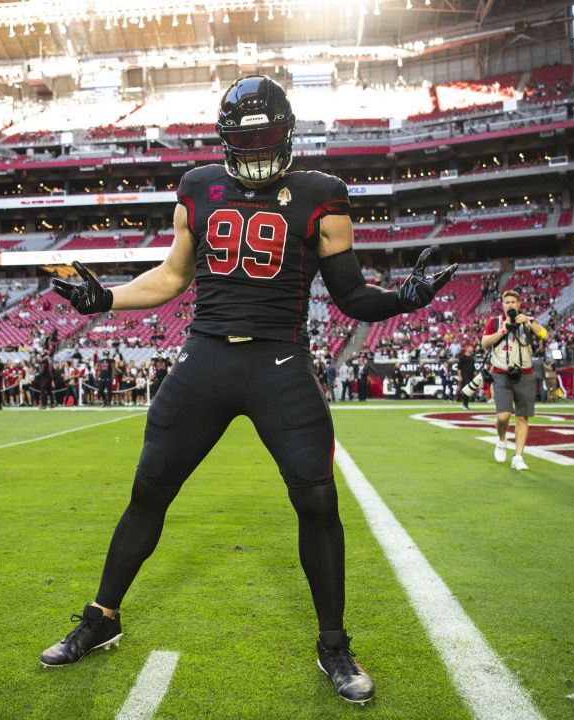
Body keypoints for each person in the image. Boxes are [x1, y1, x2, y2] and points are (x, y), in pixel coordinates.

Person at [39, 75, 457, 705]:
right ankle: (102, 617)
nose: (258, 149)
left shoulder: (323, 194)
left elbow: (349, 295)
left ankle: (334, 645)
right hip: (205, 357)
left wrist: (404, 299)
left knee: (316, 500)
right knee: (149, 489)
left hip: (279, 363)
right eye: (247, 138)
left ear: (288, 134)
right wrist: (106, 299)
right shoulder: (197, 186)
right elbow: (173, 276)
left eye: (268, 137)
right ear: (225, 140)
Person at [481, 290, 547, 470]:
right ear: (502, 305)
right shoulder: (495, 322)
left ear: (519, 304)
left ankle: (518, 456)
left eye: (513, 302)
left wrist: (528, 321)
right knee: (503, 416)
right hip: (501, 373)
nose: (510, 305)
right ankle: (502, 440)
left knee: (522, 417)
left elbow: (544, 335)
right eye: (507, 302)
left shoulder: (527, 321)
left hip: (524, 372)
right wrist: (503, 330)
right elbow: (484, 343)